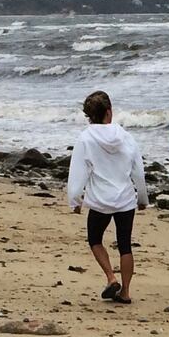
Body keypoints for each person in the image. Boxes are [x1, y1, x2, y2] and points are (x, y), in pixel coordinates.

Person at [67, 91, 149, 304]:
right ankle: (126, 291)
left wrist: (75, 200)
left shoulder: (85, 138)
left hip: (100, 200)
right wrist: (142, 197)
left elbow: (78, 172)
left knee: (95, 239)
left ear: (90, 116)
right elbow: (138, 171)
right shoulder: (126, 136)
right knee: (125, 245)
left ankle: (111, 278)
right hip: (125, 198)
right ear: (109, 112)